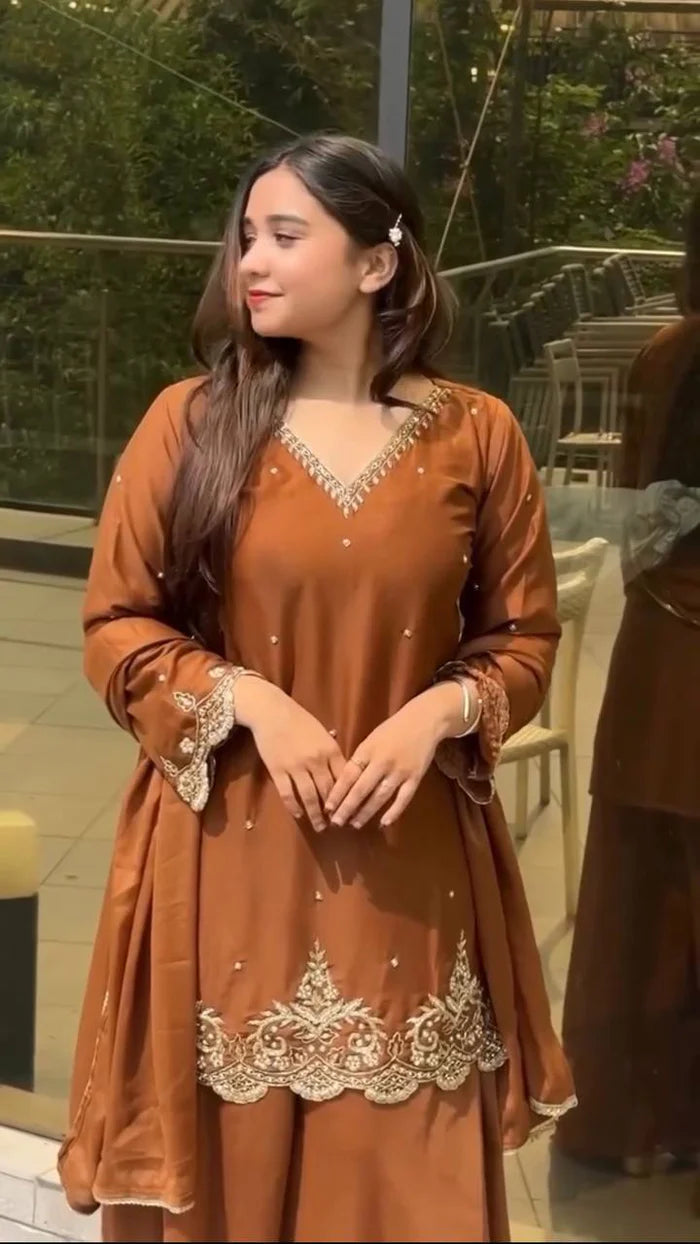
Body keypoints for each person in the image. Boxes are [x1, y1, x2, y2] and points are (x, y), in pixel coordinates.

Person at [58, 133, 574, 1243]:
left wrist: (438, 712)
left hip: (406, 868)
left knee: (407, 1183)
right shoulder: (190, 423)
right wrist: (248, 698)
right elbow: (117, 626)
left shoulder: (477, 435)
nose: (251, 260)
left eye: (286, 236)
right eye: (248, 235)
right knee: (232, 1171)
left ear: (377, 263)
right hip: (229, 857)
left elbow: (524, 638)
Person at [556, 191, 700, 1173]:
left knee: (641, 899)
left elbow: (639, 516)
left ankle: (627, 1120)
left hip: (659, 654)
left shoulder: (664, 355)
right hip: (677, 648)